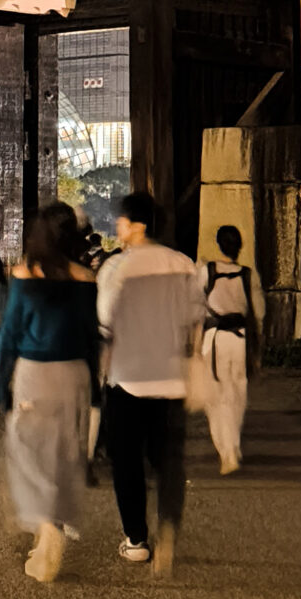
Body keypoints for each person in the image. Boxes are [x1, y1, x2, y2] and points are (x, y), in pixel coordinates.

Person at [0, 203, 100, 584]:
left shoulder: (24, 274)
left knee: (28, 451)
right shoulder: (85, 277)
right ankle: (53, 525)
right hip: (74, 375)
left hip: (35, 373)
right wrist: (96, 389)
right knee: (65, 452)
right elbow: (90, 338)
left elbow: (10, 335)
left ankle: (45, 525)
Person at [97, 192, 204, 578]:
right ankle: (169, 527)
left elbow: (105, 323)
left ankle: (137, 540)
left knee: (127, 462)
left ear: (136, 224)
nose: (117, 228)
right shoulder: (184, 264)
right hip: (172, 377)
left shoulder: (116, 268)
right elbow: (195, 320)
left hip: (127, 377)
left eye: (121, 222)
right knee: (168, 461)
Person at [199, 224, 265, 476]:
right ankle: (233, 446)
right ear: (239, 246)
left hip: (213, 340)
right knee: (237, 394)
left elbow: (195, 311)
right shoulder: (249, 275)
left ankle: (226, 451)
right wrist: (258, 350)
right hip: (241, 340)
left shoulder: (207, 272)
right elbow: (258, 314)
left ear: (218, 244)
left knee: (215, 398)